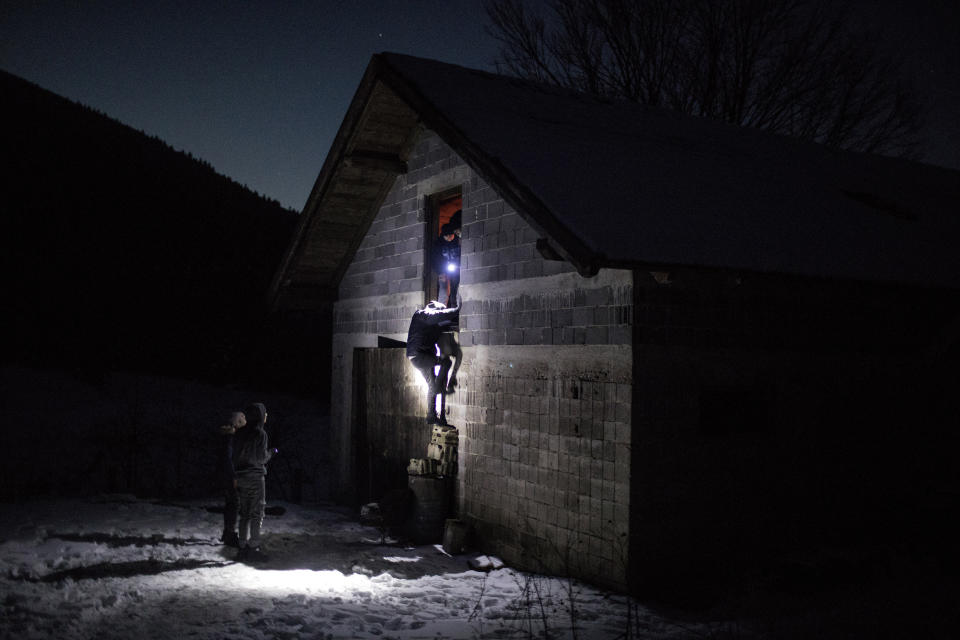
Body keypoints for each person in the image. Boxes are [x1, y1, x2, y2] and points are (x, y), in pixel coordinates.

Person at [232, 402, 274, 561]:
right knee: (257, 513)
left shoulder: (240, 433)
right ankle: (253, 547)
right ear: (261, 416)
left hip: (241, 476)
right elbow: (261, 458)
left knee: (244, 513)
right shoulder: (260, 434)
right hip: (255, 477)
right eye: (265, 414)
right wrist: (271, 453)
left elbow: (235, 455)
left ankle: (242, 546)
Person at [407, 300, 460, 425]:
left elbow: (444, 323)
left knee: (432, 383)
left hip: (421, 357)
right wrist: (456, 310)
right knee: (446, 363)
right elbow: (438, 316)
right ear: (433, 309)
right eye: (438, 311)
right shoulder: (421, 314)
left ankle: (431, 416)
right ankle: (438, 389)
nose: (439, 314)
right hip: (419, 356)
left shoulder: (433, 326)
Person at [217, 410, 246, 547]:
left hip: (225, 474)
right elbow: (228, 459)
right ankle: (229, 534)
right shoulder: (229, 437)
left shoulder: (228, 436)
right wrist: (233, 476)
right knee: (234, 503)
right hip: (228, 475)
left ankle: (227, 532)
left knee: (231, 503)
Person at [432, 210, 461, 307]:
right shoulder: (438, 245)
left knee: (455, 291)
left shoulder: (456, 241)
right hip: (443, 271)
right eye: (447, 235)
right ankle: (441, 313)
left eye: (451, 235)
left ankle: (455, 311)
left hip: (455, 270)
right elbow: (436, 260)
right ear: (443, 235)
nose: (449, 237)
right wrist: (440, 272)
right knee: (444, 292)